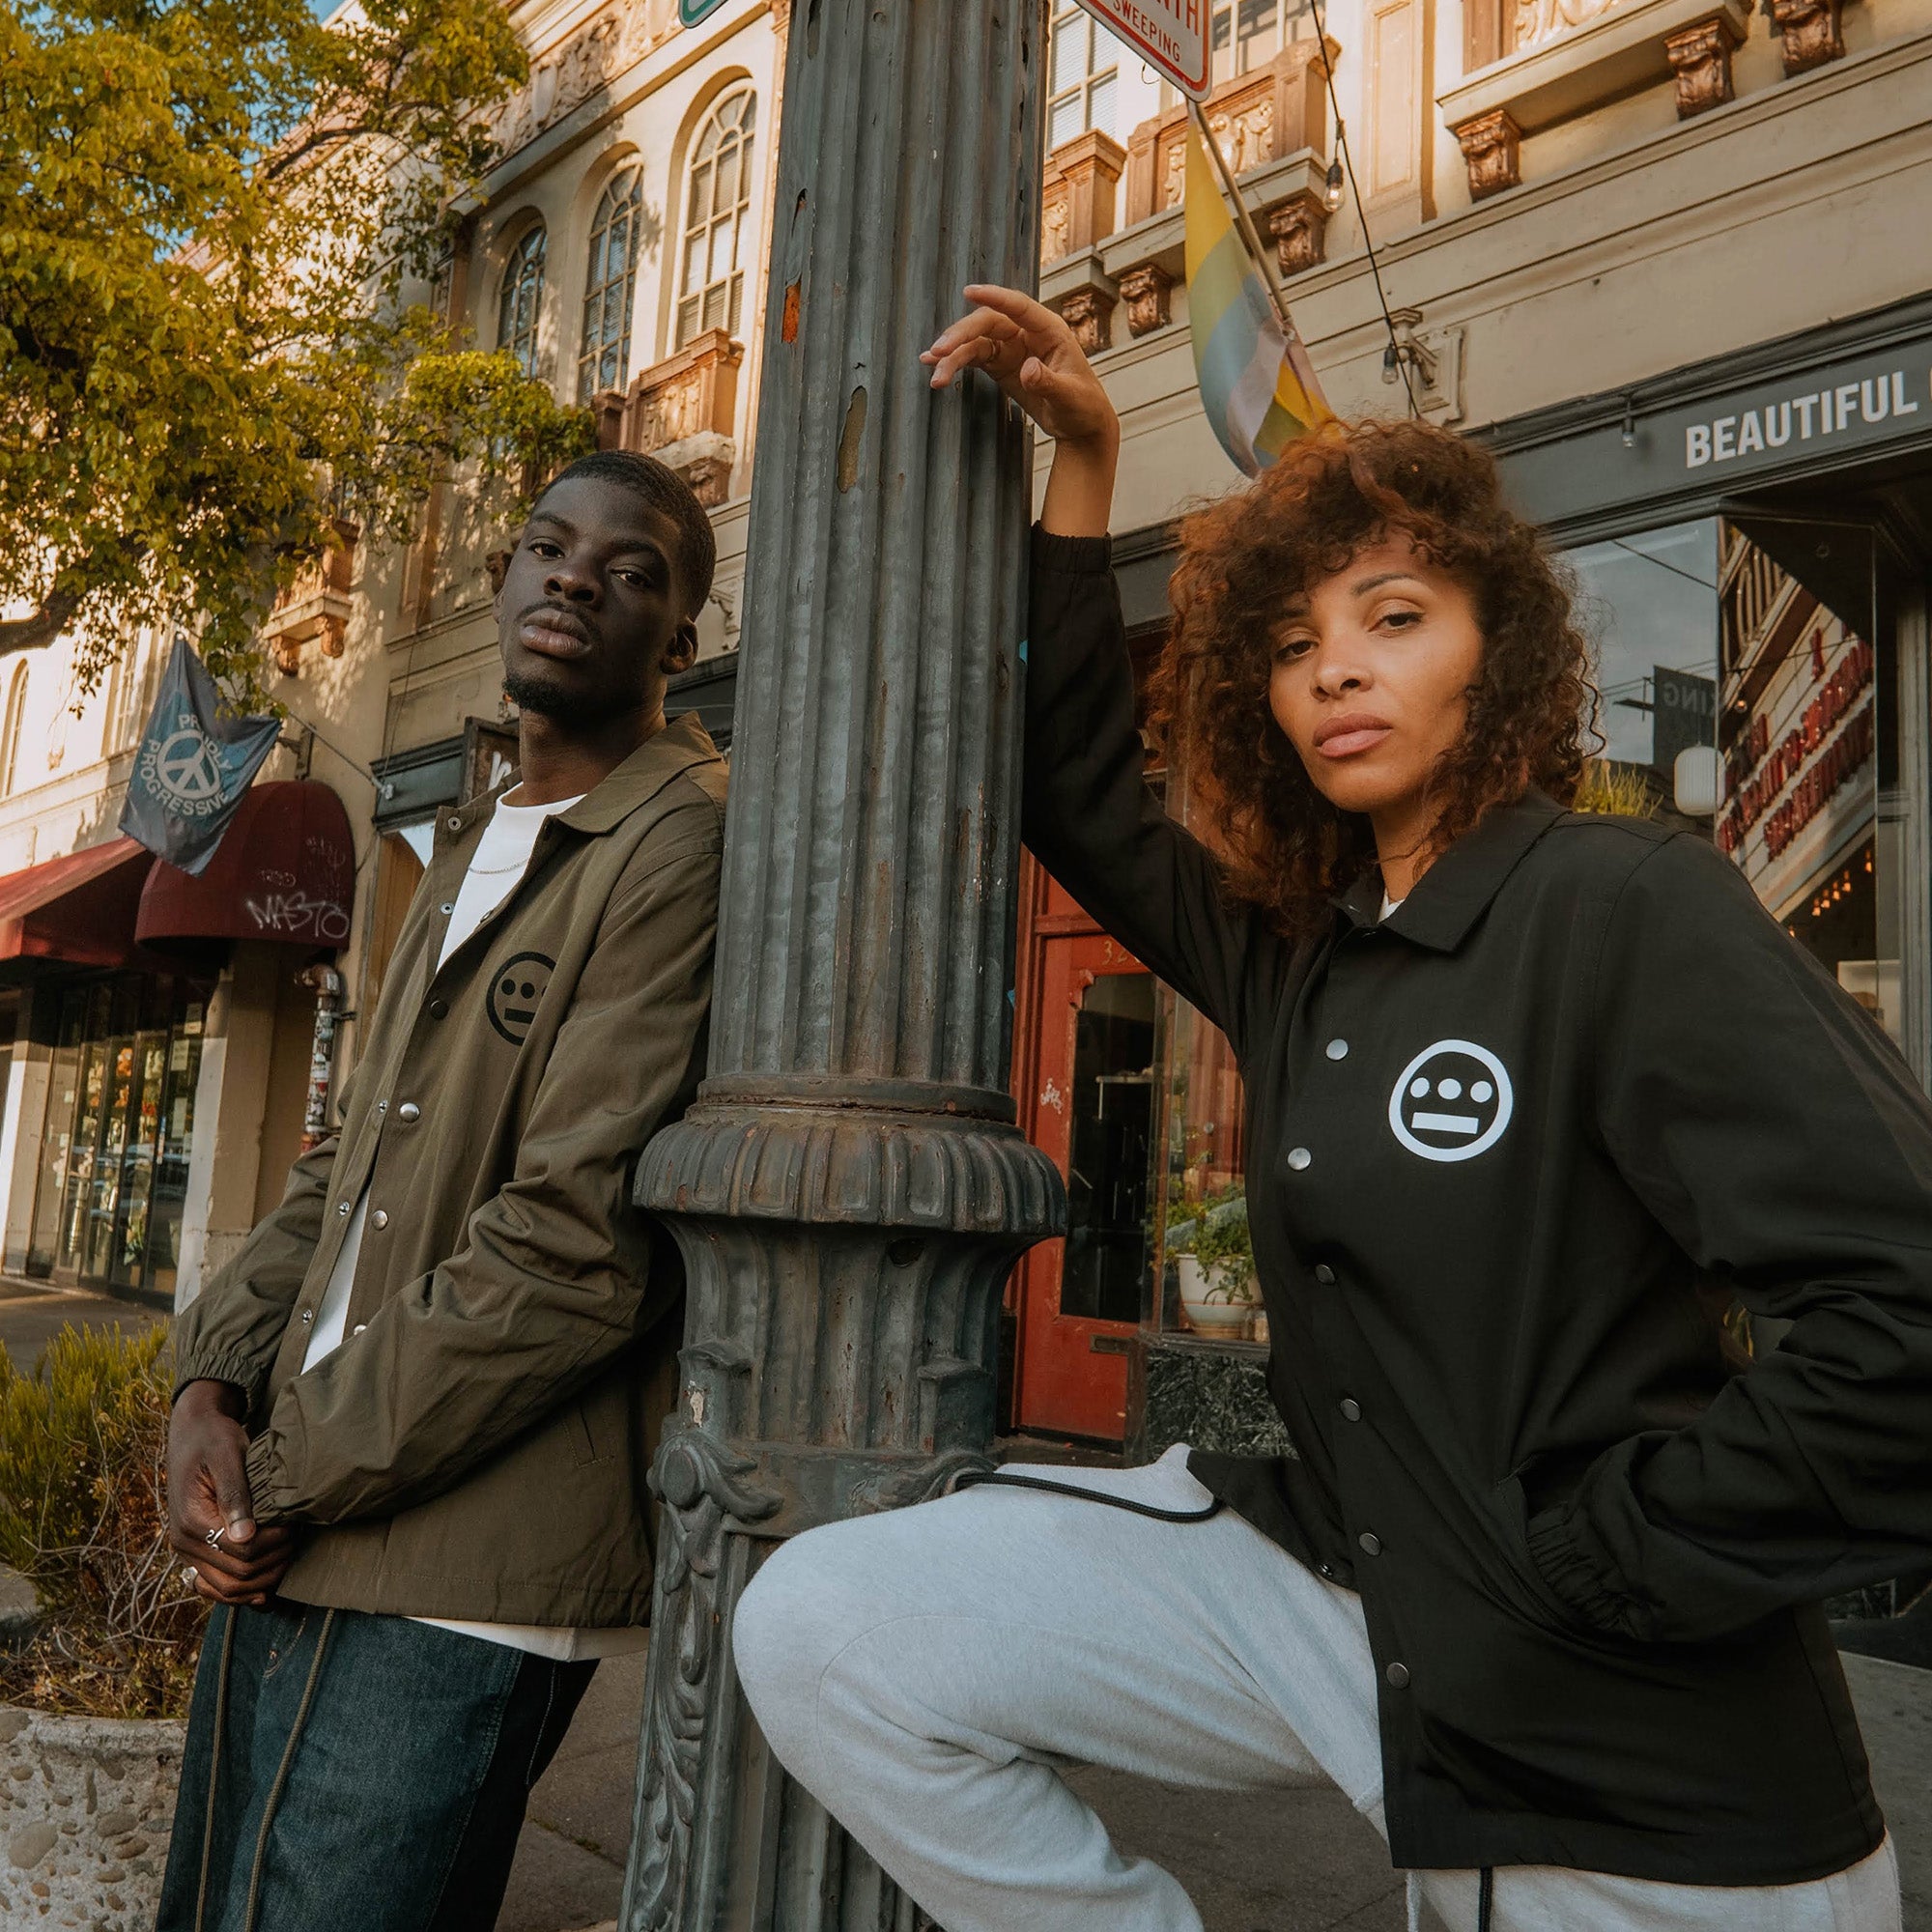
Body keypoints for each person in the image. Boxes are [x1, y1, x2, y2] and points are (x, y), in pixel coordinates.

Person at [729, 287, 1929, 1932]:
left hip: (1660, 1800)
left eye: (1393, 618)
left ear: (1493, 653)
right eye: (1292, 648)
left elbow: (1905, 1321)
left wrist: (1595, 1567)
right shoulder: (1302, 955)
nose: (1335, 672)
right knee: (826, 1624)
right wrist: (1087, 460)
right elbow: (1076, 786)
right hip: (1353, 1608)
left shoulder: (1624, 902)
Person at [157, 449, 728, 1932]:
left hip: (459, 1572)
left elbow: (576, 1251)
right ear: (499, 577)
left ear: (682, 640)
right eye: (548, 546)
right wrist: (211, 1387)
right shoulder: (471, 837)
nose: (574, 577)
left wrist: (277, 1476)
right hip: (300, 1514)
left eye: (632, 569)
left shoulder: (682, 840)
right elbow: (343, 1159)